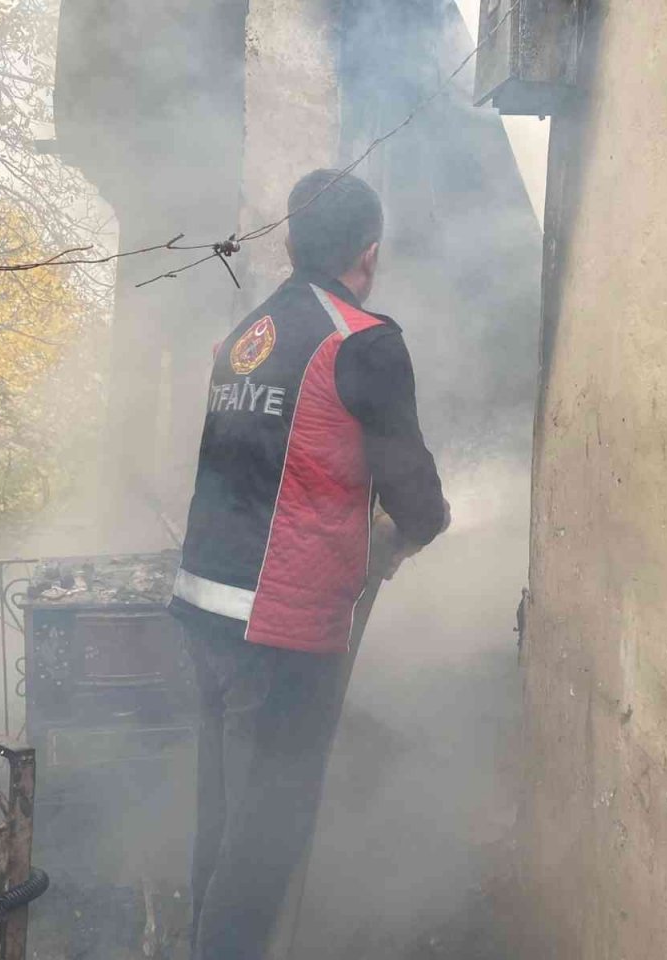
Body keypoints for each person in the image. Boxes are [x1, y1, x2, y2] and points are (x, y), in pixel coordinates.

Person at [168, 168, 449, 959]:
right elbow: (419, 499)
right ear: (369, 252)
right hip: (282, 633)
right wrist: (403, 537)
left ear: (290, 243)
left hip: (203, 609)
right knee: (265, 841)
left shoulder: (244, 339)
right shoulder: (363, 341)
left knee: (221, 820)